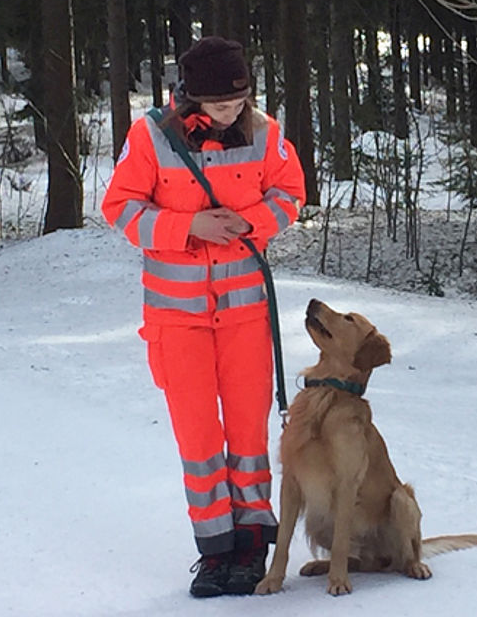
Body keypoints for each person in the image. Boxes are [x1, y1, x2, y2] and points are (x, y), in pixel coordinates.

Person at [101, 36, 305, 598]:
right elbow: (119, 207)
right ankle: (214, 552)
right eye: (219, 105)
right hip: (177, 317)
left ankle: (251, 546)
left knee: (247, 434)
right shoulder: (150, 137)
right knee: (199, 438)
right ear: (189, 97)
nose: (230, 112)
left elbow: (291, 191)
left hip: (244, 315)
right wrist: (188, 227)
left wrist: (254, 221)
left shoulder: (264, 130)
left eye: (238, 102)